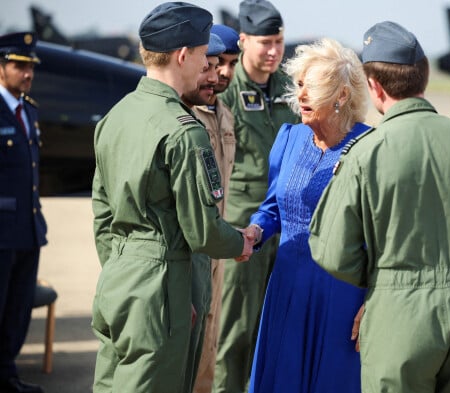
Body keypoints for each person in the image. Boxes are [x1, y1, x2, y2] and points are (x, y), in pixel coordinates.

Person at [309, 21, 450, 393]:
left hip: (400, 315)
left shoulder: (364, 155)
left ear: (375, 86)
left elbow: (332, 251)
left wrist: (386, 278)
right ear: (422, 78)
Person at [90, 3, 252, 393]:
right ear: (182, 55)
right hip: (165, 285)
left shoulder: (116, 116)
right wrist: (241, 243)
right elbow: (203, 233)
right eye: (201, 55)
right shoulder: (184, 130)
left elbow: (102, 214)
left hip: (118, 280)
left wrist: (125, 274)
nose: (206, 67)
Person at [246, 38, 371, 393]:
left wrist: (372, 301)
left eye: (313, 87)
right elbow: (272, 207)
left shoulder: (370, 147)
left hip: (340, 294)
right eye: (300, 84)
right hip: (285, 285)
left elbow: (382, 236)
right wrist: (256, 230)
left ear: (342, 96)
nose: (301, 95)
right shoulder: (289, 137)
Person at [214, 1, 300, 392]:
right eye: (265, 42)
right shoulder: (225, 89)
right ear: (244, 39)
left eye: (279, 42)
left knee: (280, 329)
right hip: (243, 226)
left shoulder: (289, 88)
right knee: (236, 330)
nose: (274, 51)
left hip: (289, 226)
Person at [182, 24, 242, 393]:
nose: (224, 73)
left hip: (215, 250)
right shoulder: (184, 117)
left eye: (231, 64)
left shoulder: (226, 115)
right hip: (190, 251)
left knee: (210, 339)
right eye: (217, 63)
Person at [0, 31, 45, 393]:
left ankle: (7, 373)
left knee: (18, 307)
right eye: (18, 66)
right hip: (1, 231)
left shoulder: (28, 110)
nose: (27, 74)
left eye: (30, 67)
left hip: (28, 228)